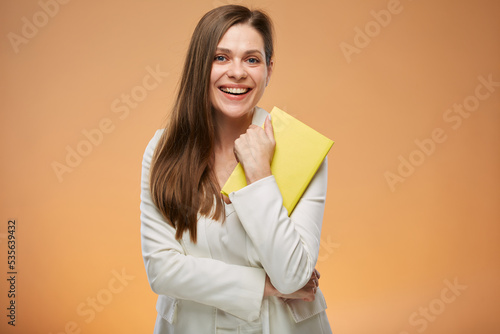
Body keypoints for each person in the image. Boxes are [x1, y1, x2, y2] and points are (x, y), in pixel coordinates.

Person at [140, 5, 332, 333]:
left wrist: (260, 175)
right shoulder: (164, 149)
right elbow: (162, 270)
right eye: (221, 57)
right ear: (200, 66)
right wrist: (265, 288)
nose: (238, 72)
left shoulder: (301, 150)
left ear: (269, 69)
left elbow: (293, 276)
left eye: (252, 59)